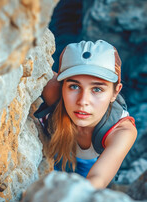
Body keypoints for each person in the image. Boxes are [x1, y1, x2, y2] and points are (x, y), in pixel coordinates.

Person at [34, 40, 137, 189]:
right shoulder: (53, 92)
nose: (83, 101)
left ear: (115, 92)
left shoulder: (122, 131)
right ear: (61, 86)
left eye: (97, 89)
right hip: (52, 149)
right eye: (74, 86)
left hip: (90, 161)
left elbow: (97, 179)